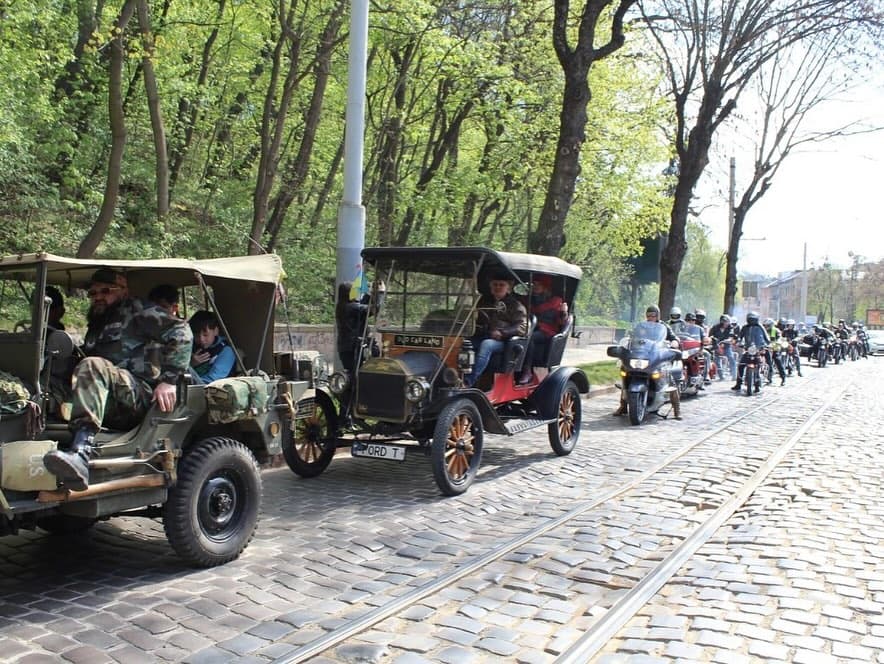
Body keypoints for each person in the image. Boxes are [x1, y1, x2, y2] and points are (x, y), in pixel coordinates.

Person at [42, 268, 193, 491]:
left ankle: (81, 454)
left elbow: (182, 332)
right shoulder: (99, 321)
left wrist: (169, 381)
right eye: (93, 293)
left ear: (123, 290)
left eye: (106, 290)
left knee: (92, 365)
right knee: (50, 373)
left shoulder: (138, 311)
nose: (98, 297)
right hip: (105, 395)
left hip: (137, 395)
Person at [463, 272, 527, 388]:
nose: (498, 287)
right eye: (495, 285)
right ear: (491, 287)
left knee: (486, 344)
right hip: (483, 335)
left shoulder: (516, 305)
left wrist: (502, 333)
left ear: (508, 288)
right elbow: (475, 318)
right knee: (461, 343)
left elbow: (522, 327)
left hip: (504, 342)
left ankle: (467, 382)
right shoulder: (484, 302)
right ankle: (452, 377)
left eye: (501, 285)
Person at [614, 305, 678, 416]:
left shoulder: (664, 326)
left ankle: (677, 410)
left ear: (657, 315)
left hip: (658, 356)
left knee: (670, 378)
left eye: (653, 315)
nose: (651, 317)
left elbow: (673, 337)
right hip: (642, 355)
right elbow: (633, 337)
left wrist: (674, 342)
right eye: (648, 315)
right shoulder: (641, 326)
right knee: (625, 372)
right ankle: (623, 405)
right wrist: (628, 341)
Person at [518, 274, 567, 384]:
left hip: (547, 331)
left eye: (538, 284)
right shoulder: (528, 299)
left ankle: (527, 370)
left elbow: (561, 321)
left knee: (529, 338)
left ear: (545, 287)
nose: (535, 287)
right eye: (533, 284)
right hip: (529, 328)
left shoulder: (555, 301)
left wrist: (564, 312)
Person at [335, 280, 384, 373]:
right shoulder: (350, 307)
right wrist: (381, 293)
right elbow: (374, 309)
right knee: (357, 374)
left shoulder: (343, 305)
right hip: (353, 348)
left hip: (347, 347)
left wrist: (370, 293)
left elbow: (362, 306)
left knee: (354, 372)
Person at [188, 310, 236, 383]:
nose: (201, 339)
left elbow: (212, 380)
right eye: (196, 335)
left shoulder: (226, 351)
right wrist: (191, 363)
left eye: (205, 335)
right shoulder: (191, 345)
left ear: (216, 331)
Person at [731, 312, 770, 392]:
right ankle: (738, 383)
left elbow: (766, 337)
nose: (751, 320)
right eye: (750, 319)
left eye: (753, 319)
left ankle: (758, 383)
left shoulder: (760, 327)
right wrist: (738, 342)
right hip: (748, 349)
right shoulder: (745, 327)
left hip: (758, 349)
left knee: (760, 364)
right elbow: (740, 336)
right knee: (741, 365)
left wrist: (767, 344)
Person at [709, 314, 737, 380]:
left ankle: (734, 375)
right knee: (716, 360)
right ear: (722, 322)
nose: (727, 324)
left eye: (727, 322)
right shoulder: (715, 327)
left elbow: (731, 337)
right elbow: (710, 336)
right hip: (716, 345)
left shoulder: (730, 328)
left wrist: (726, 341)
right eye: (725, 322)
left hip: (726, 346)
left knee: (731, 358)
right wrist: (714, 342)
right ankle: (721, 376)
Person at [762, 318, 787, 386]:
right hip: (764, 349)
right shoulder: (762, 330)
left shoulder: (776, 330)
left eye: (768, 325)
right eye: (765, 325)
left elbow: (779, 338)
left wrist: (778, 342)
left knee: (778, 361)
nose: (766, 327)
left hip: (774, 349)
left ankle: (783, 378)